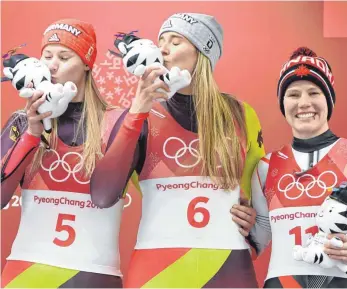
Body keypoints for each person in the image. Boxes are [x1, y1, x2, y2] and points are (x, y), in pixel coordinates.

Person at [91, 13, 265, 288]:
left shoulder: (241, 114)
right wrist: (137, 110)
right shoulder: (141, 114)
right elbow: (103, 195)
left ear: (202, 53)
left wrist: (254, 220)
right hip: (157, 269)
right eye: (161, 40)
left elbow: (257, 193)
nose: (162, 48)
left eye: (176, 41)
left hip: (227, 268)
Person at [1, 19, 130, 288]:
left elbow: (166, 186)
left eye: (64, 56)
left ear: (86, 62)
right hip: (26, 273)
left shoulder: (118, 121)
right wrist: (33, 133)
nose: (51, 65)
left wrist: (237, 211)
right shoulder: (22, 121)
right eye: (46, 56)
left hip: (92, 276)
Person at [250, 47, 347, 288]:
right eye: (293, 95)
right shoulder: (265, 166)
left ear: (329, 100)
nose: (304, 103)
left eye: (314, 92)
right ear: (283, 103)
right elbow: (258, 238)